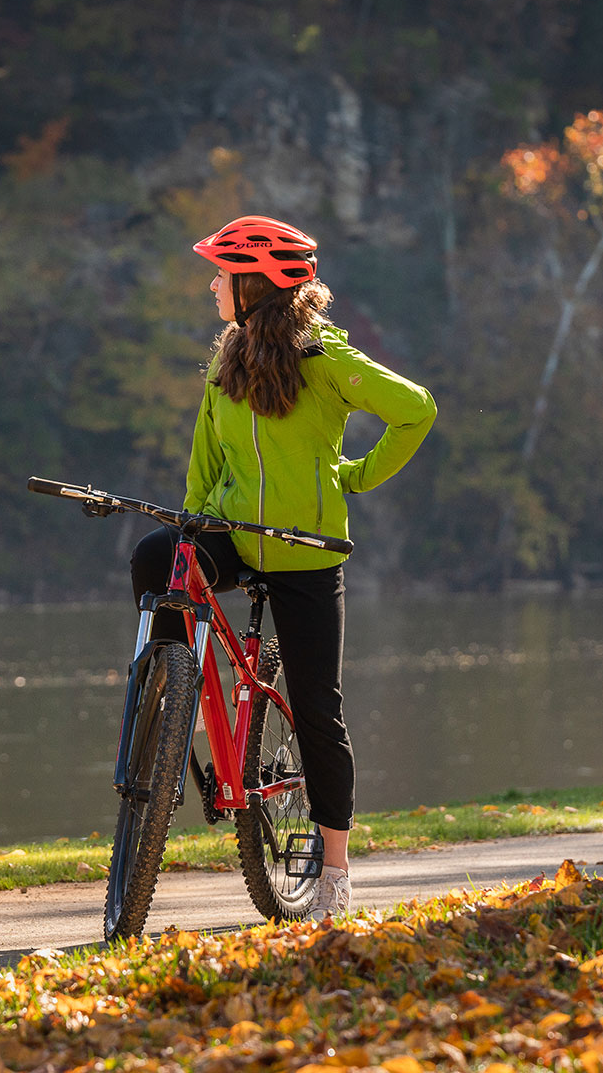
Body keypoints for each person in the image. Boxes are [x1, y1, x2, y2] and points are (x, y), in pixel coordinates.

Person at [129, 214, 437, 921]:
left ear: (255, 285)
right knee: (157, 555)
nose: (212, 284)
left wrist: (354, 478)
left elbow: (416, 410)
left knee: (318, 709)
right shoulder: (226, 360)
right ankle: (177, 692)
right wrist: (191, 531)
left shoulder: (326, 360)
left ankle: (334, 873)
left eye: (221, 274)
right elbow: (205, 464)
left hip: (306, 554)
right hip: (235, 535)